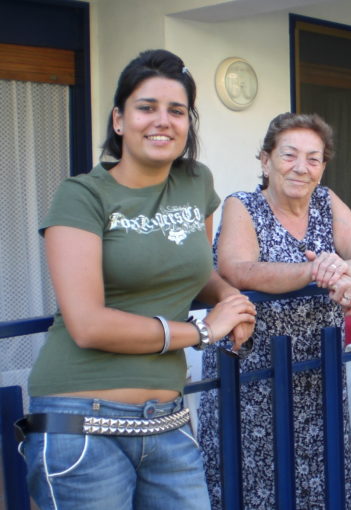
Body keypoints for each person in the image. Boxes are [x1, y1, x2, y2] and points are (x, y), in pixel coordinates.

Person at [17, 49, 257, 510]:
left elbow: (194, 268)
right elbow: (87, 324)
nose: (162, 121)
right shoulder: (81, 195)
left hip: (169, 422)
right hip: (82, 426)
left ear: (189, 124)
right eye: (146, 107)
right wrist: (205, 330)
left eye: (176, 110)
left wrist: (231, 298)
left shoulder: (194, 182)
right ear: (120, 120)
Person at [197, 112, 351, 509]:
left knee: (321, 480)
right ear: (265, 161)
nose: (301, 167)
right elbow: (238, 269)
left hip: (318, 373)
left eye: (314, 158)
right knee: (254, 482)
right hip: (254, 376)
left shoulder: (325, 201)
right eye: (289, 155)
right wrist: (314, 270)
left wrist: (344, 270)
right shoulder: (242, 205)